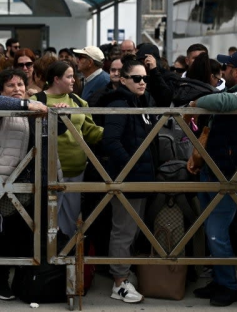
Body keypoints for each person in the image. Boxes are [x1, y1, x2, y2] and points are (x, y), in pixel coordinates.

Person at [189, 51, 237, 307]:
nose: (223, 70)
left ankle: (229, 286)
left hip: (229, 174)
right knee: (211, 229)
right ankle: (221, 280)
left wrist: (196, 102)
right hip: (214, 168)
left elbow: (222, 103)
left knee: (216, 232)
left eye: (227, 66)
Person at [0, 68, 49, 301]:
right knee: (5, 231)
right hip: (6, 181)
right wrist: (29, 105)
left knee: (27, 233)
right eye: (11, 85)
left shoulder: (32, 110)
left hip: (33, 182)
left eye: (20, 85)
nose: (17, 89)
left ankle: (21, 278)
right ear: (1, 90)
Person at [99, 57, 157, 304]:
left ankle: (123, 274)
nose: (142, 82)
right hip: (128, 178)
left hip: (139, 177)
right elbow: (110, 141)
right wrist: (130, 166)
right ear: (123, 80)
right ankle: (120, 282)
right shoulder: (120, 104)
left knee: (131, 231)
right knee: (124, 230)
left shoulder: (137, 102)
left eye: (145, 78)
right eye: (137, 78)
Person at [31, 61, 103, 238]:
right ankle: (49, 261)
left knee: (70, 222)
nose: (74, 80)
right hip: (48, 171)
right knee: (48, 221)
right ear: (56, 79)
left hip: (77, 168)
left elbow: (90, 131)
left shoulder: (79, 101)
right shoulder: (36, 101)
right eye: (69, 76)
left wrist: (112, 135)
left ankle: (65, 260)